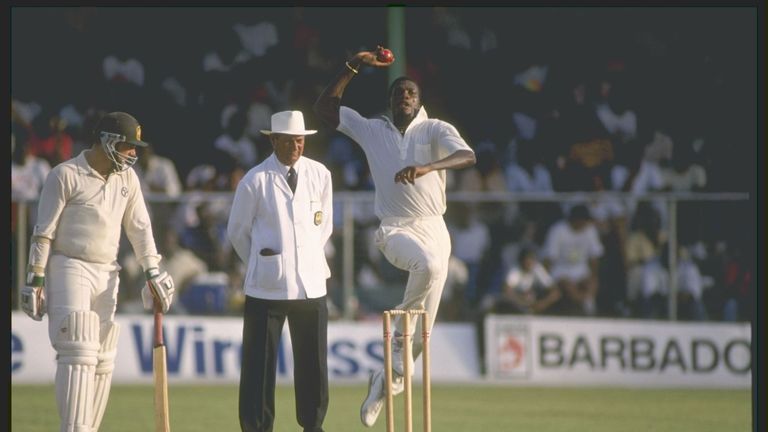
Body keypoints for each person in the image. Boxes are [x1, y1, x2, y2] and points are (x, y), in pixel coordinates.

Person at [314, 46, 476, 428]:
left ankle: (384, 381)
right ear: (390, 102)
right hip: (395, 227)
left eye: (411, 93)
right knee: (430, 265)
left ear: (419, 102)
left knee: (423, 334)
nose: (405, 95)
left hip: (435, 226)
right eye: (398, 92)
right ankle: (398, 351)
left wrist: (427, 167)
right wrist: (352, 65)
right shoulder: (372, 129)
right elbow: (325, 109)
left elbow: (468, 156)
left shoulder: (436, 129)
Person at [19, 111, 176, 432]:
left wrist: (153, 271)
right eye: (128, 147)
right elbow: (43, 231)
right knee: (78, 346)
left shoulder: (127, 179)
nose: (134, 154)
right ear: (108, 142)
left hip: (108, 270)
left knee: (103, 355)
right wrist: (34, 279)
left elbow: (140, 228)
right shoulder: (65, 175)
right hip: (69, 264)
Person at [227, 110, 333, 432]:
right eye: (287, 141)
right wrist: (264, 264)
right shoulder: (255, 180)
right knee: (259, 368)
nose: (295, 147)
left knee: (313, 365)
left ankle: (313, 426)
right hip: (266, 289)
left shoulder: (320, 174)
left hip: (311, 284)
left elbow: (324, 225)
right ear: (273, 140)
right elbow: (237, 232)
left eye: (299, 141)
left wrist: (303, 259)